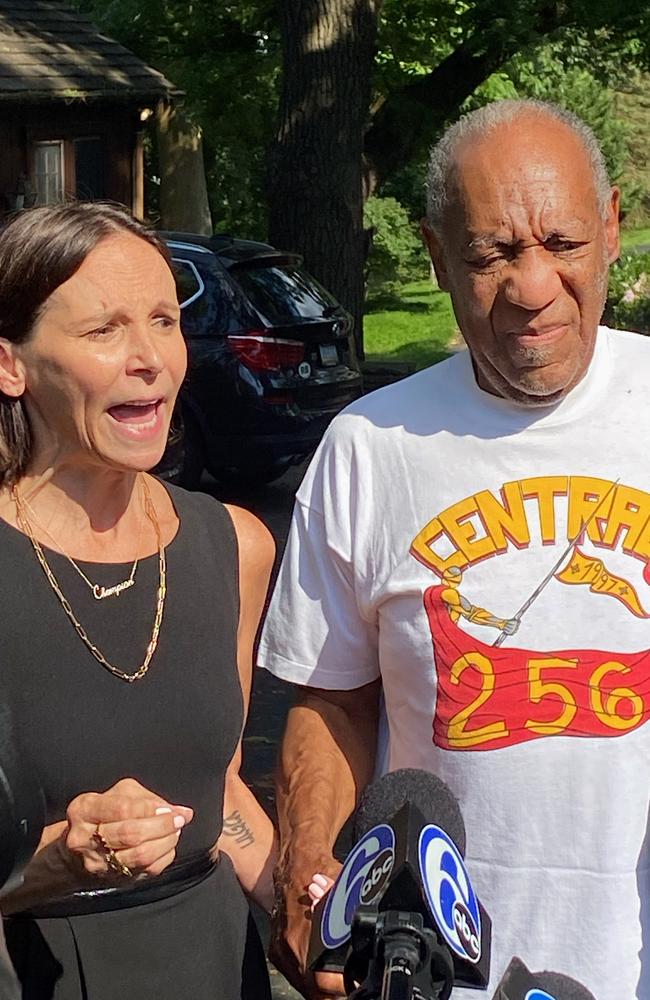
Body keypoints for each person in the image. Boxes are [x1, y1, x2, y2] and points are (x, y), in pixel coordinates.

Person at [259, 99, 650, 1000]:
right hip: (430, 966)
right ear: (437, 256)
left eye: (562, 242)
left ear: (613, 227)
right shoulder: (369, 446)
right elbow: (332, 698)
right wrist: (306, 866)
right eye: (491, 254)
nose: (532, 285)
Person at [0, 201, 277, 999]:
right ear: (12, 366)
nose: (149, 356)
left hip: (219, 964)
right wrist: (55, 858)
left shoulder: (236, 546)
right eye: (104, 330)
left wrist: (306, 919)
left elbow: (218, 792)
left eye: (164, 319)